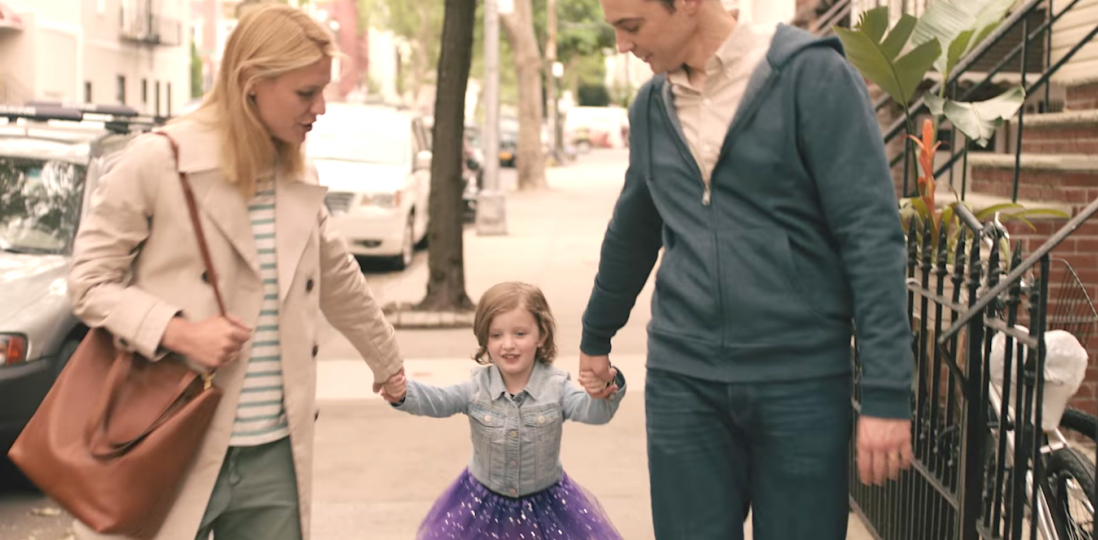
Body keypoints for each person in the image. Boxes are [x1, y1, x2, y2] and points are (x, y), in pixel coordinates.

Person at [66, 5, 405, 539]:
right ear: (251, 83)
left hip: (274, 454)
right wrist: (178, 331)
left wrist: (387, 361)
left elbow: (336, 275)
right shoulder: (159, 161)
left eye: (322, 91)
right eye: (304, 93)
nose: (320, 108)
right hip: (170, 438)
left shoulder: (296, 170)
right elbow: (89, 282)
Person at [579, 0, 915, 539]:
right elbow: (633, 231)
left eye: (631, 26)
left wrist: (886, 393)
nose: (622, 44)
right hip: (683, 382)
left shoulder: (812, 77)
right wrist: (597, 333)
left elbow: (871, 238)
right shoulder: (650, 107)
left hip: (800, 382)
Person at [381, 282, 626, 539]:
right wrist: (403, 393)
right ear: (485, 339)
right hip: (480, 506)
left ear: (541, 335)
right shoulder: (477, 387)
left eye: (520, 333)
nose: (508, 344)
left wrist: (608, 386)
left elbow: (594, 412)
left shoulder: (557, 388)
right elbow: (439, 400)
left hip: (547, 506)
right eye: (496, 335)